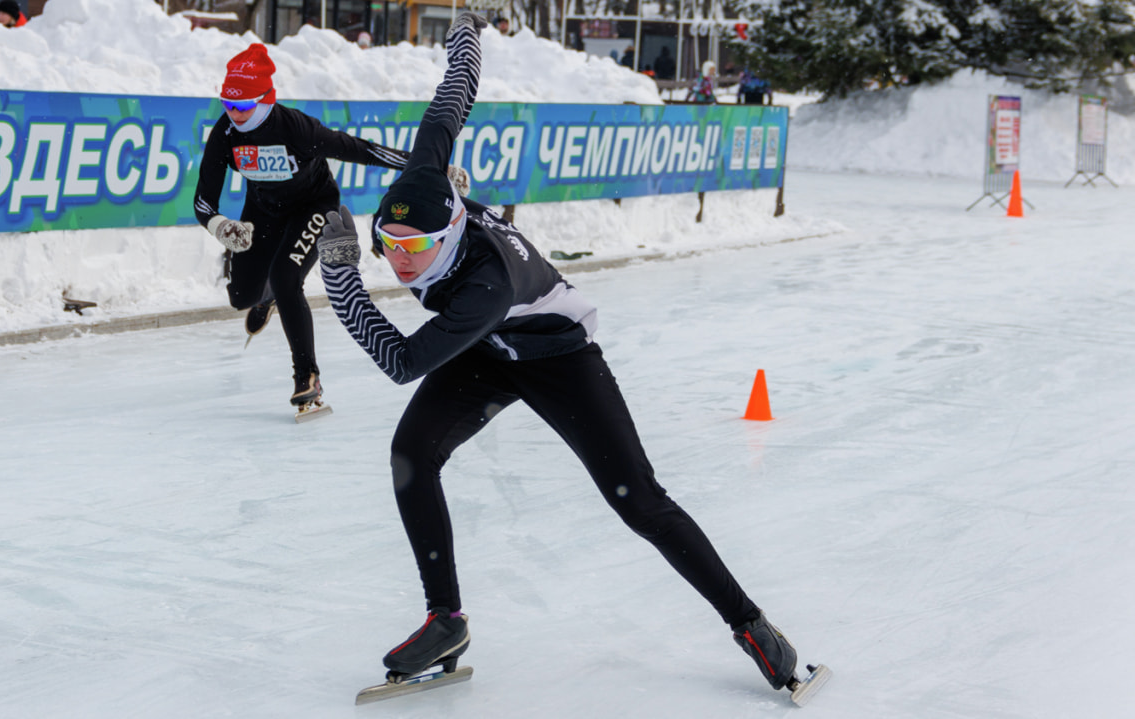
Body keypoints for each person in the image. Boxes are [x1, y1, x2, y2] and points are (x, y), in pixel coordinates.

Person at [317, 11, 812, 698]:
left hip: (556, 354)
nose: (401, 262)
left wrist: (343, 283)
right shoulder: (427, 179)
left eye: (416, 249)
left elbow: (402, 362)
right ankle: (446, 619)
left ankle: (752, 622)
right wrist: (467, 32)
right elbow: (452, 95)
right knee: (412, 454)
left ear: (453, 229)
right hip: (489, 348)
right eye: (388, 246)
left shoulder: (484, 284)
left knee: (639, 500)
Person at [193, 43, 411, 412]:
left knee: (285, 276)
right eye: (228, 106)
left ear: (265, 100)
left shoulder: (296, 128)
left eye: (243, 107)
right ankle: (266, 297)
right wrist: (221, 226)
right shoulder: (226, 133)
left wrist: (427, 166)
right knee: (241, 298)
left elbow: (361, 149)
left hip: (313, 205)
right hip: (263, 210)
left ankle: (306, 376)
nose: (235, 115)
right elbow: (203, 201)